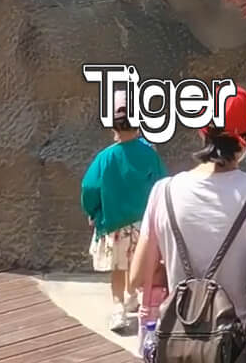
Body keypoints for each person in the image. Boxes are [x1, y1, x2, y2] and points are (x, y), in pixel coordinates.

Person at [130, 86, 246, 358]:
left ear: (202, 132)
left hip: (178, 344)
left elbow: (138, 276)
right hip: (241, 348)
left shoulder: (163, 191)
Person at [81, 92, 166, 331]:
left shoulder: (105, 157)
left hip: (114, 224)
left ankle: (118, 308)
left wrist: (93, 211)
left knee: (118, 268)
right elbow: (162, 182)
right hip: (144, 226)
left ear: (113, 127)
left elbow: (89, 187)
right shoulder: (149, 153)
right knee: (137, 265)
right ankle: (133, 298)